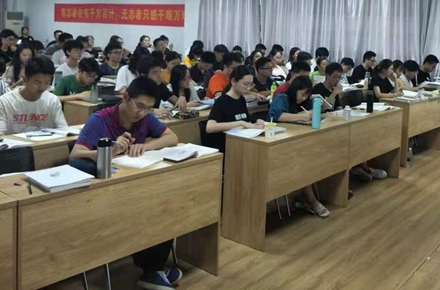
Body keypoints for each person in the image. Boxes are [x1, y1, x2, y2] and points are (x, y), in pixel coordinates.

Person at [69, 76, 181, 290]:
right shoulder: (100, 120)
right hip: (107, 192)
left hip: (135, 183)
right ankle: (153, 269)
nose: (142, 112)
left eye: (148, 109)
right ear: (126, 97)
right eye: (139, 106)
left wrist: (145, 146)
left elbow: (171, 137)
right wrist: (108, 151)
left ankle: (155, 267)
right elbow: (75, 154)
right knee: (151, 209)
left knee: (167, 202)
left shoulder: (146, 118)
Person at [268, 76, 329, 218]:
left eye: (307, 95)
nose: (304, 98)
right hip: (277, 142)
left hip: (294, 141)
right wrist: (300, 117)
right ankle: (311, 200)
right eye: (302, 94)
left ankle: (314, 194)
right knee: (304, 162)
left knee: (315, 155)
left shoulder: (304, 101)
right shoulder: (282, 98)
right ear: (295, 90)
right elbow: (277, 116)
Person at [0, 56, 68, 135]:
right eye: (37, 82)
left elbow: (64, 130)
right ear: (25, 79)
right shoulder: (5, 102)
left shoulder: (52, 100)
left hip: (46, 142)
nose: (42, 87)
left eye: (47, 82)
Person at [205, 65, 264, 153]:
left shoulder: (241, 99)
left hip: (241, 142)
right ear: (233, 81)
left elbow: (245, 119)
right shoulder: (222, 101)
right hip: (226, 146)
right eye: (245, 84)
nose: (249, 88)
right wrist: (240, 123)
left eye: (251, 84)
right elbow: (210, 127)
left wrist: (257, 121)